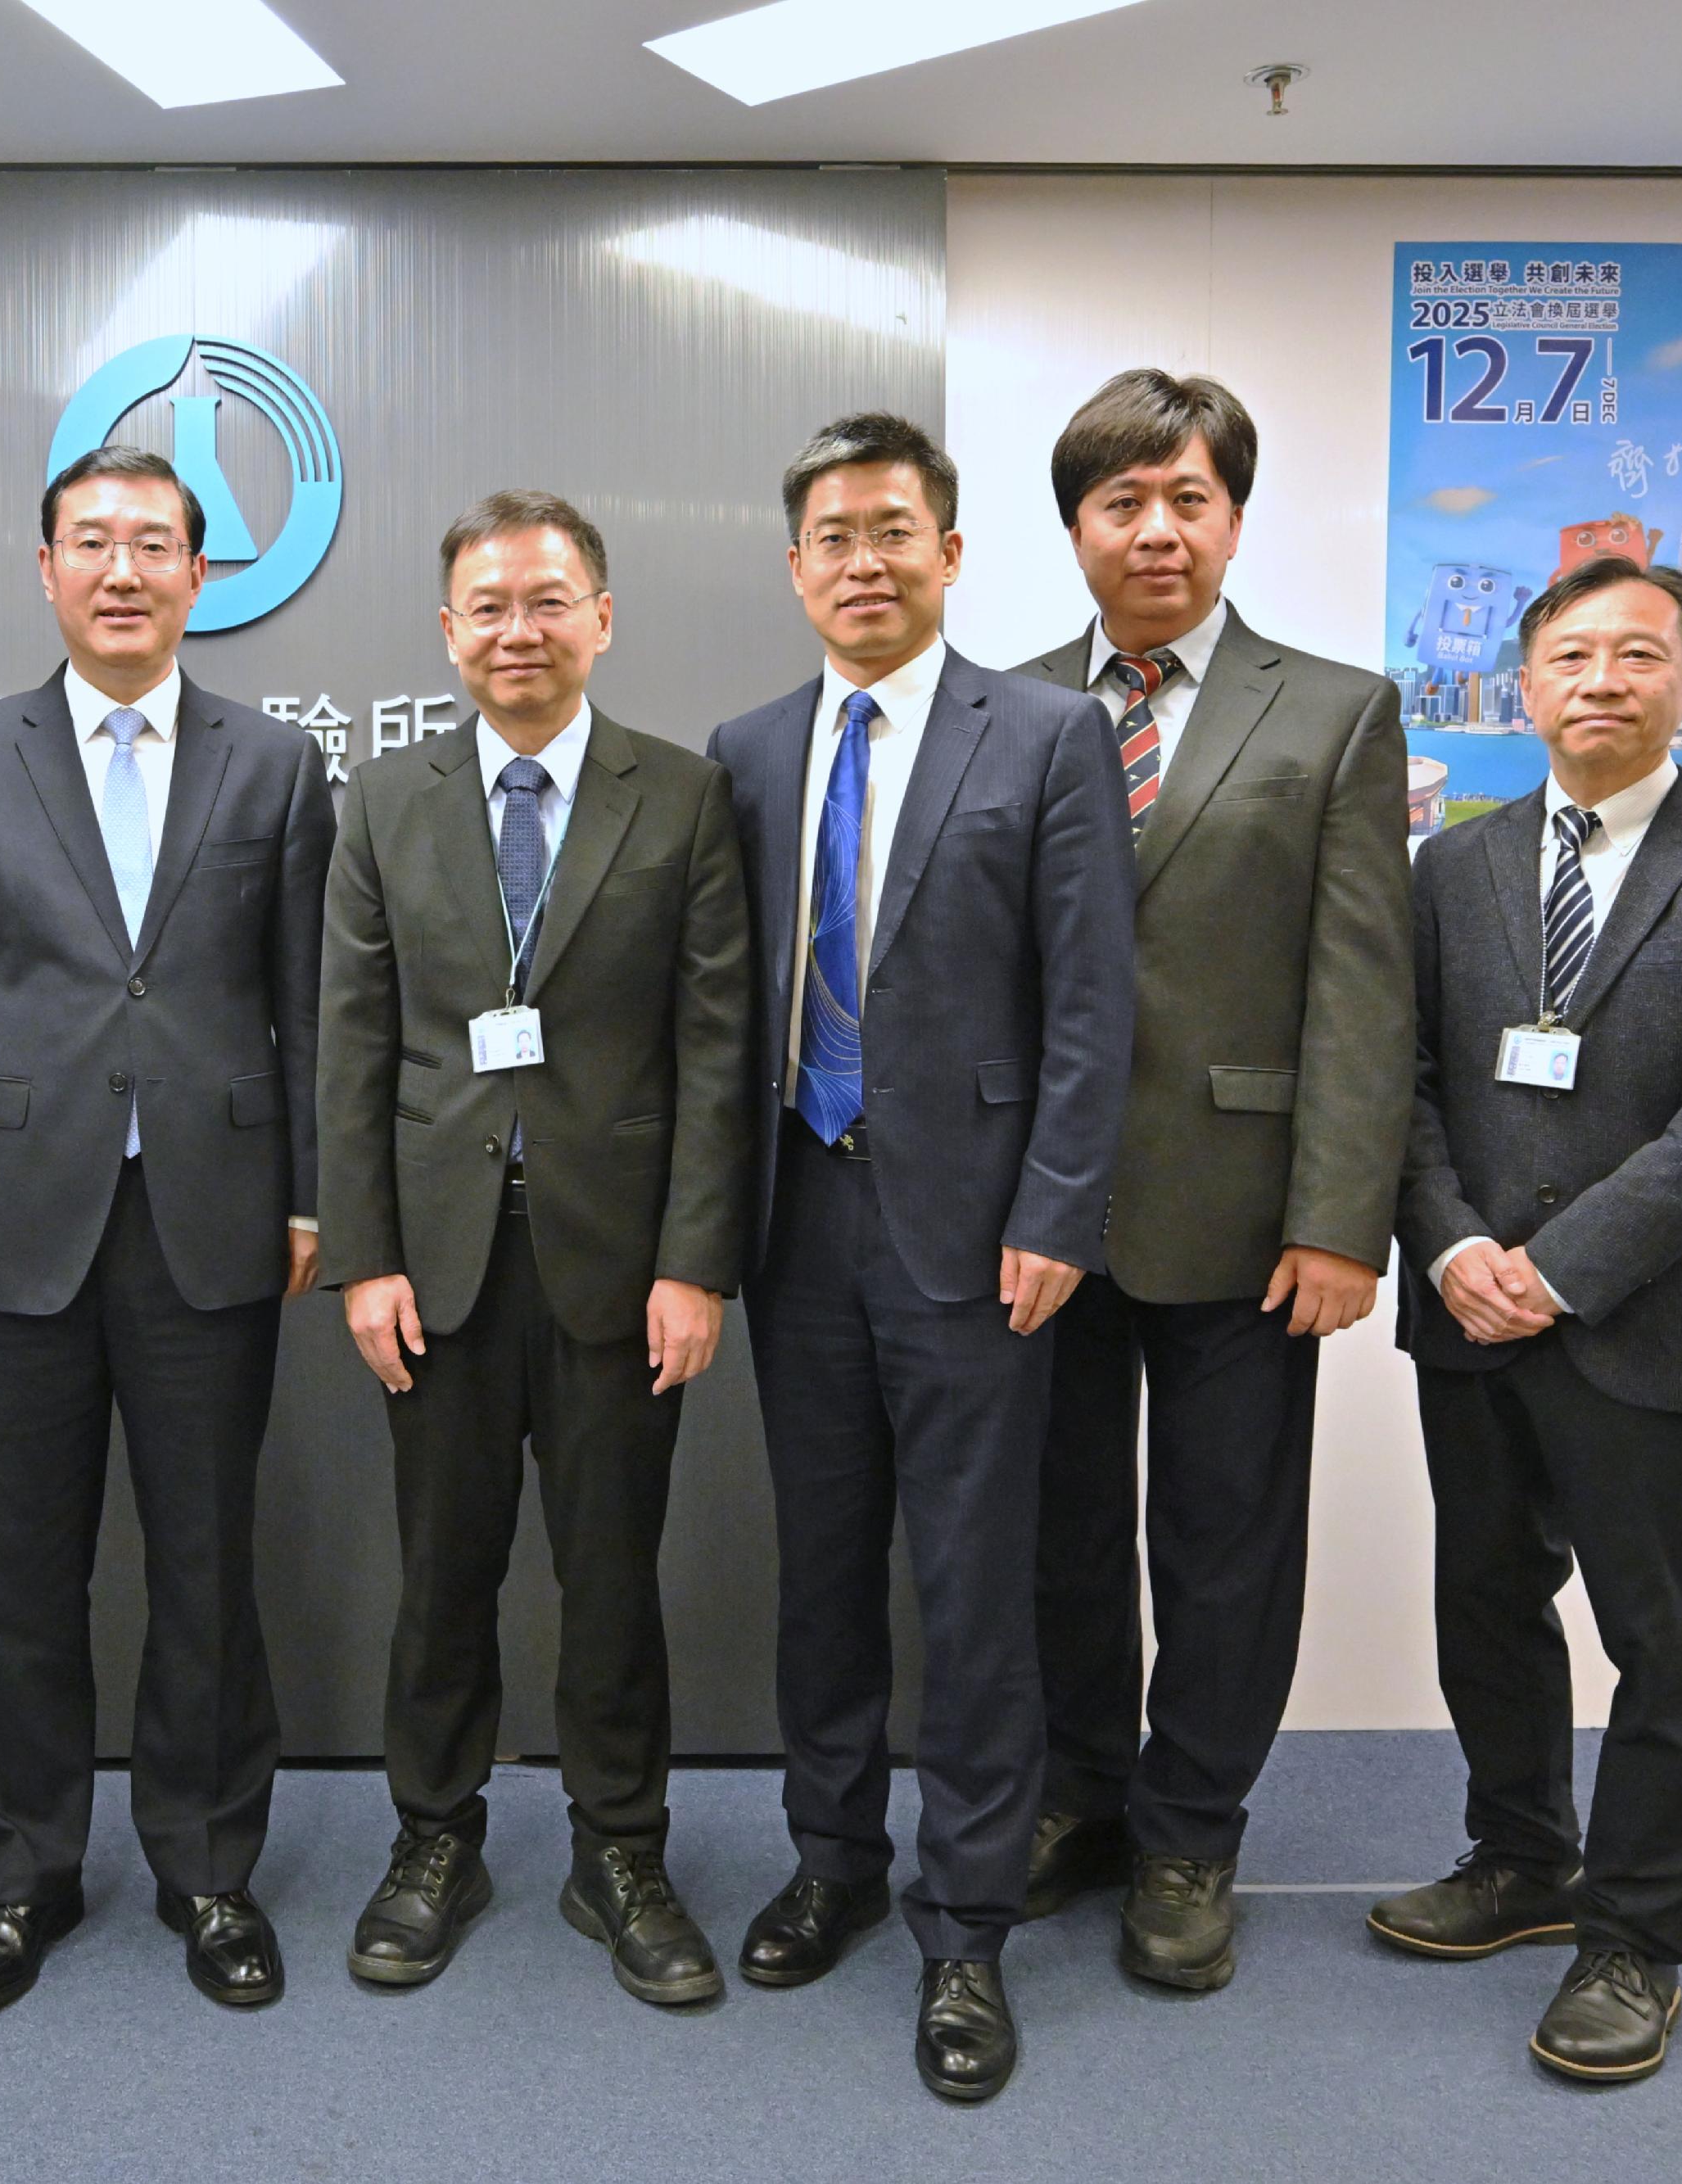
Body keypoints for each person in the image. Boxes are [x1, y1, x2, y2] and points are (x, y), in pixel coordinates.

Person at [708, 412, 1136, 2103]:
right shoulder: (742, 750)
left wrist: (1056, 1208)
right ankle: (832, 1854)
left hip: (975, 1233)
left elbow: (1093, 1000)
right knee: (821, 1565)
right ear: (794, 563)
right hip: (791, 1217)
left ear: (948, 553)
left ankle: (962, 1925)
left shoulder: (1041, 734)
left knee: (972, 1584)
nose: (861, 558)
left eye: (892, 529)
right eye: (829, 533)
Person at [0, 446, 332, 2018]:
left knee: (207, 1563)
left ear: (203, 577)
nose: (123, 570)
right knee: (22, 1571)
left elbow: (305, 1004)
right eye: (92, 542)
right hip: (12, 1218)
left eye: (154, 544)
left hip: (209, 1215)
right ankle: (25, 1877)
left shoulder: (273, 765)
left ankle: (209, 1868)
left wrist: (309, 1191)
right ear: (47, 568)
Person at [1370, 556, 1682, 2084]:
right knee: (1488, 1606)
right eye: (1572, 655)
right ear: (1527, 686)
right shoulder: (1455, 869)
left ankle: (1635, 1941)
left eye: (1640, 655)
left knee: (1666, 1644)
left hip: (1649, 1318)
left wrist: (1559, 1265)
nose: (1603, 680)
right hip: (1469, 1316)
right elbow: (1408, 1087)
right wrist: (1450, 1250)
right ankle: (1521, 1858)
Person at [319, 490, 752, 2010]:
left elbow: (717, 1048)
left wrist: (696, 1263)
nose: (520, 628)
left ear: (603, 617)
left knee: (612, 1578)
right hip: (433, 1264)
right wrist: (360, 1258)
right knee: (440, 1575)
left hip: (619, 1268)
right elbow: (352, 1043)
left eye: (549, 600)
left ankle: (618, 1852)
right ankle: (436, 1839)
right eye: (489, 606)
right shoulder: (382, 800)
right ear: (449, 632)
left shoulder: (685, 797)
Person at [1009, 371, 1413, 1989]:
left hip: (1247, 1210)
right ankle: (1077, 1789)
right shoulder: (1006, 702)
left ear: (1231, 516)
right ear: (1076, 527)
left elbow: (1362, 988)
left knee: (1222, 1537)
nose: (1155, 528)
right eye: (1122, 500)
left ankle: (1189, 1825)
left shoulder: (1328, 710)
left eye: (1186, 497)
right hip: (1037, 1213)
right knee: (1055, 1534)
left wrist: (1338, 1218)